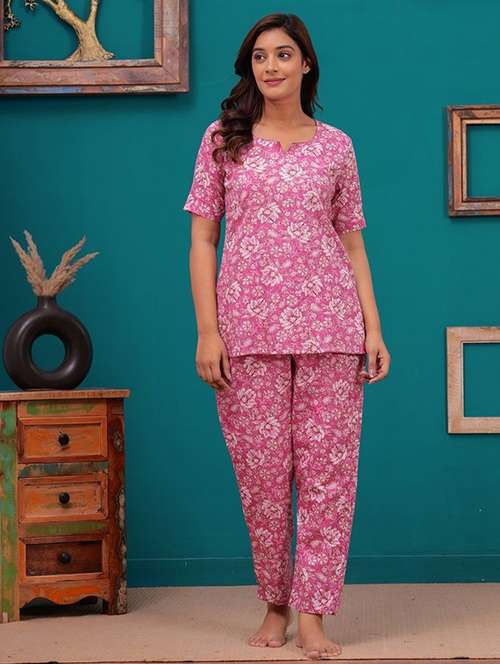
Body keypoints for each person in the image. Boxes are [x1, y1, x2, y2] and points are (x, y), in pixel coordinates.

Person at [182, 12, 391, 661]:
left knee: (329, 476)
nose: (270, 66)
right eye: (259, 56)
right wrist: (208, 332)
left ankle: (313, 616)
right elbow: (202, 240)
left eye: (282, 54)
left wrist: (374, 327)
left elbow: (352, 244)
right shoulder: (224, 139)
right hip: (247, 330)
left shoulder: (337, 146)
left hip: (332, 327)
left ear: (306, 64)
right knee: (264, 478)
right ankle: (275, 603)